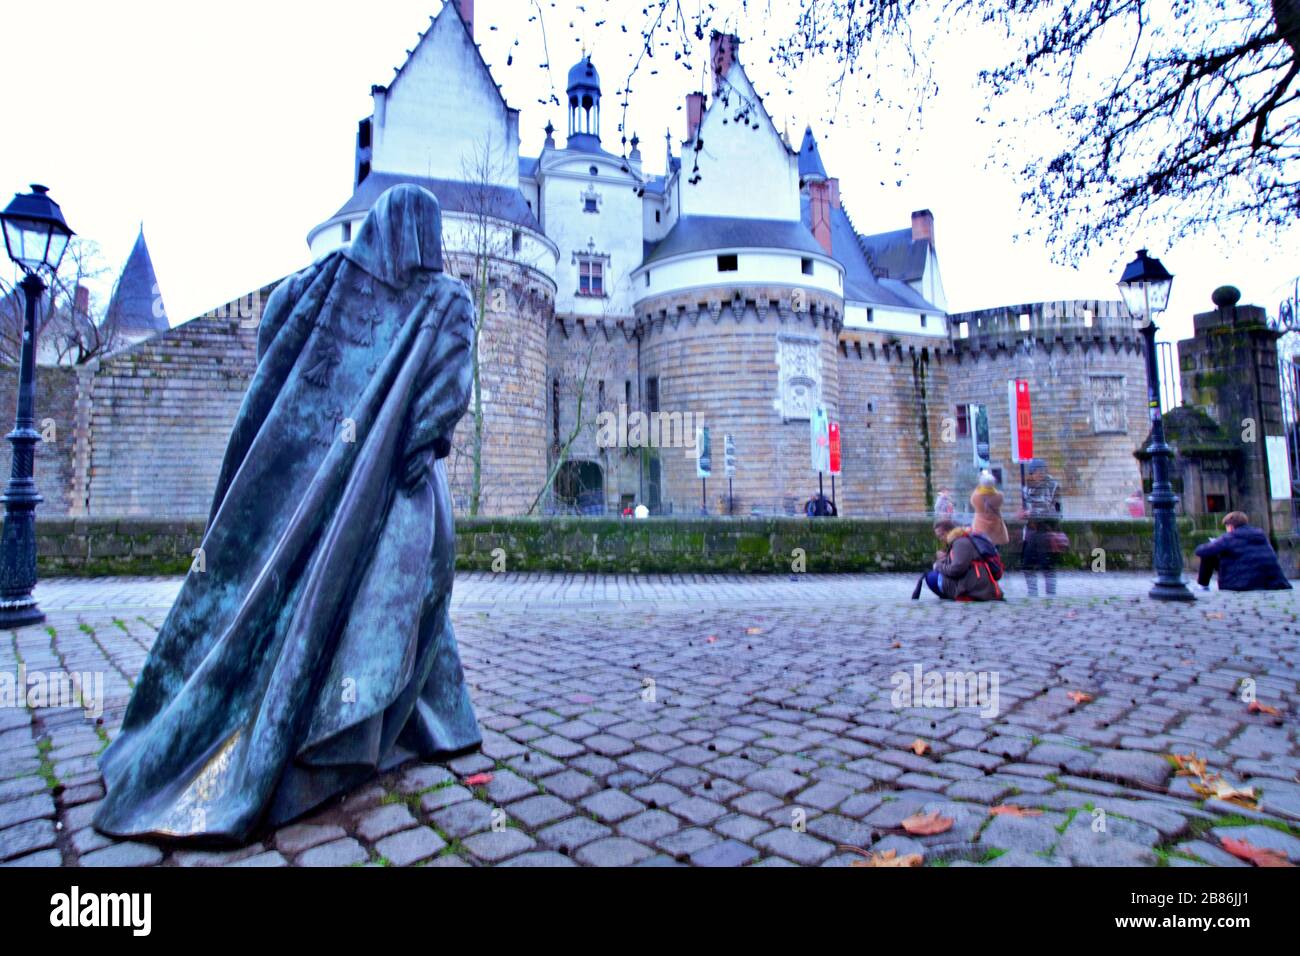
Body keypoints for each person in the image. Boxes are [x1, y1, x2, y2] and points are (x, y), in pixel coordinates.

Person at [94, 185, 481, 844]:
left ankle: (396, 720)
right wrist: (417, 450)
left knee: (358, 603)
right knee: (413, 597)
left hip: (323, 484)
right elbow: (442, 400)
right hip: (406, 487)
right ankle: (373, 725)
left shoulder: (326, 281)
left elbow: (276, 331)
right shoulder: (446, 299)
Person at [1195, 512, 1293, 591]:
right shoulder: (1260, 535)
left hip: (1239, 583)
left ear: (1230, 526)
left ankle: (1203, 585)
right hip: (1271, 582)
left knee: (1208, 554)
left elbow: (1200, 551)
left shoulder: (1230, 537)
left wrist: (1215, 543)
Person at [922, 519, 1005, 601]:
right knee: (933, 576)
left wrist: (938, 566)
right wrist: (945, 559)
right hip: (977, 583)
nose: (940, 539)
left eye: (941, 535)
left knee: (931, 577)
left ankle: (956, 594)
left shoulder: (961, 542)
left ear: (950, 531)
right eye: (938, 537)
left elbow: (957, 570)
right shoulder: (963, 539)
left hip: (975, 588)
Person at [1019, 459, 1061, 596]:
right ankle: (1032, 592)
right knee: (1027, 563)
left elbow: (1056, 510)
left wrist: (1034, 513)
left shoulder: (1053, 486)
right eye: (1035, 472)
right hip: (1031, 531)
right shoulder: (1027, 488)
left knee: (1047, 564)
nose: (1038, 474)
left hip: (1047, 530)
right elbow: (1026, 508)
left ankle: (1051, 593)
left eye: (1040, 471)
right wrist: (1023, 514)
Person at [969, 470, 1009, 546]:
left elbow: (972, 500)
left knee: (983, 548)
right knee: (994, 550)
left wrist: (979, 486)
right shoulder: (999, 496)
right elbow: (996, 494)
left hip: (980, 527)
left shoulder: (976, 497)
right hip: (995, 526)